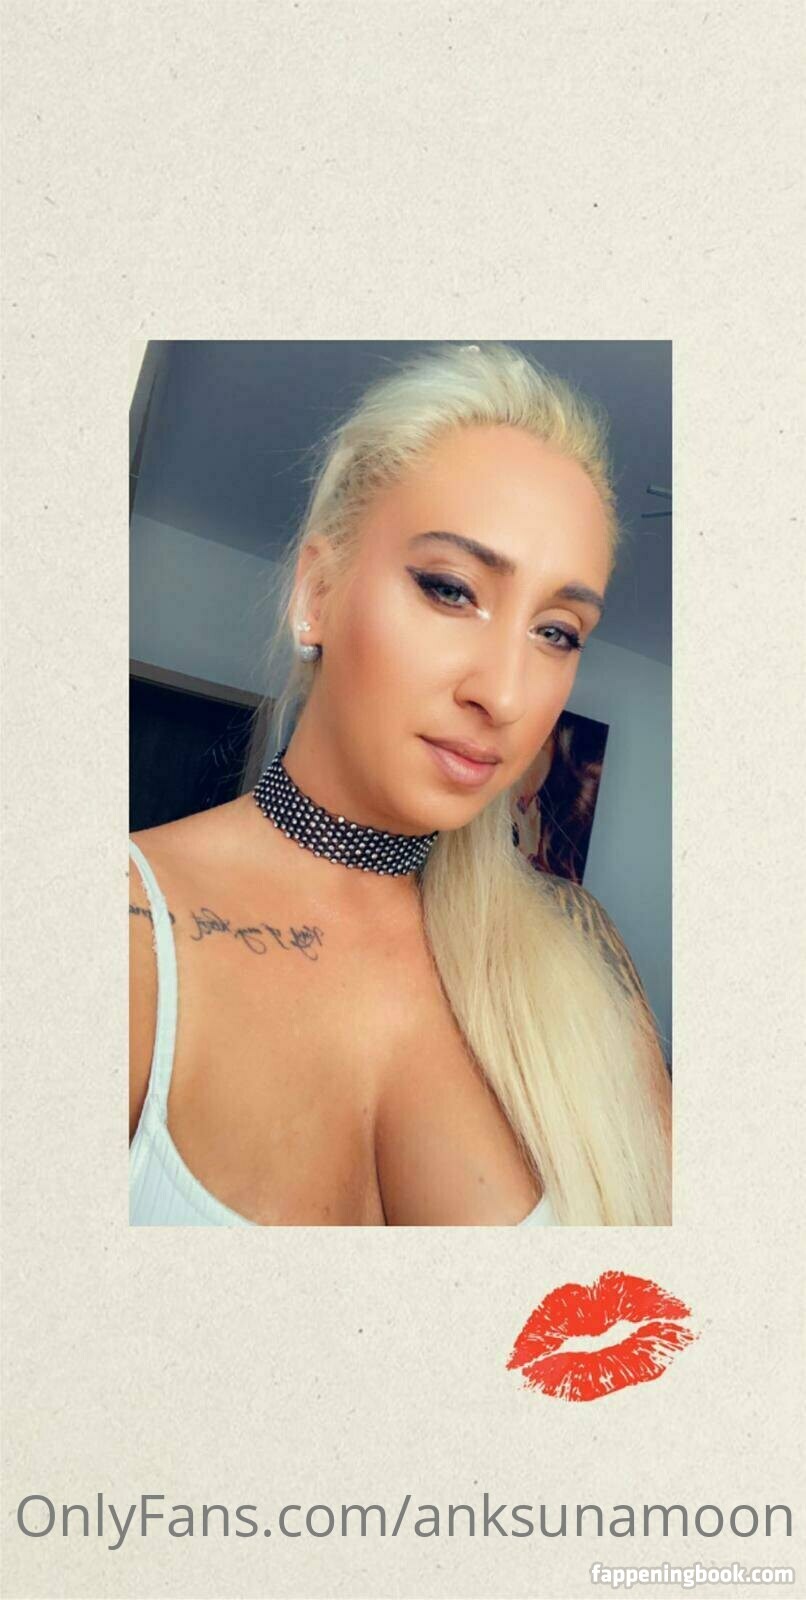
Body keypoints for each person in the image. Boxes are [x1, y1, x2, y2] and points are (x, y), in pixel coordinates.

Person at [129, 341, 672, 1227]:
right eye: (452, 589)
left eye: (557, 632)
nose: (504, 695)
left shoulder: (583, 956)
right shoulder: (124, 930)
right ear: (317, 593)